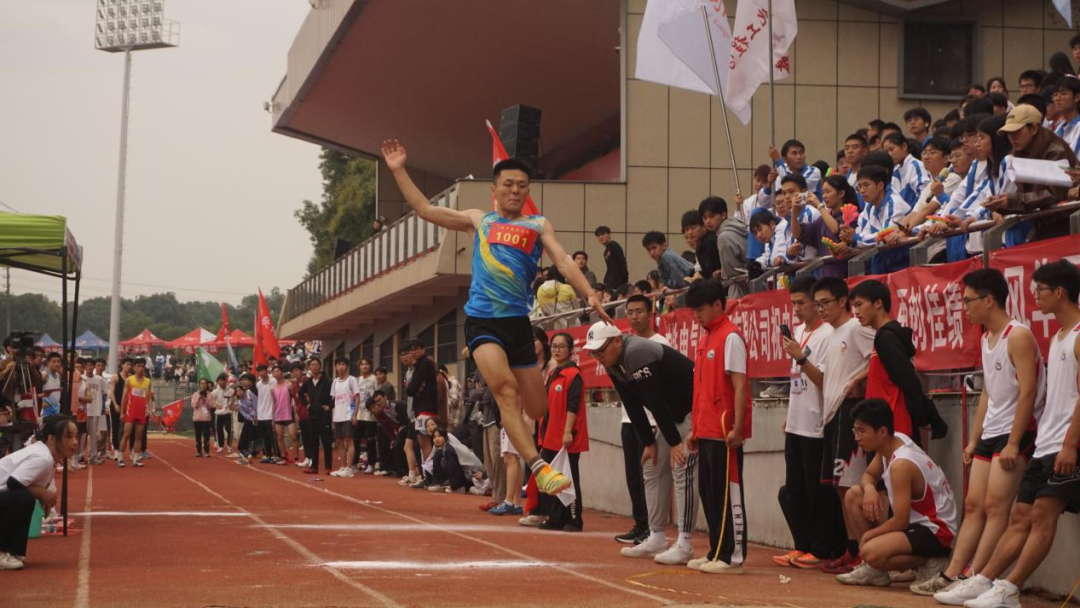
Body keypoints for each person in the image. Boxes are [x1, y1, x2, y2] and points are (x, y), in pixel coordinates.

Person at [382, 139, 602, 495]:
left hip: (518, 323)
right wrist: (399, 171)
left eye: (521, 186)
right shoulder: (479, 221)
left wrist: (588, 292)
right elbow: (424, 209)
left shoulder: (537, 225)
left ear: (527, 191)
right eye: (508, 185)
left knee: (537, 407)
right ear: (495, 190)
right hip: (482, 321)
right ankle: (539, 468)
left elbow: (562, 261)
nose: (515, 191)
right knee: (505, 392)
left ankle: (536, 455)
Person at [937, 261, 1080, 608]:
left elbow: (1039, 393)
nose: (1035, 298)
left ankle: (1009, 588)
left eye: (1040, 291)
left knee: (1040, 516)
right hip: (1046, 441)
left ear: (1059, 292)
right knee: (1019, 516)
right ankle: (982, 579)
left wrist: (1070, 445)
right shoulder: (1058, 337)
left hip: (1062, 444)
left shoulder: (1072, 336)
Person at [585, 320, 697, 566]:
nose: (598, 356)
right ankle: (656, 536)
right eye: (593, 352)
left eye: (600, 350)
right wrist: (649, 442)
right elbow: (632, 403)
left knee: (681, 468)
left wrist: (674, 443)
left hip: (692, 410)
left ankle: (685, 543)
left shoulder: (636, 352)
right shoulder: (612, 362)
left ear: (617, 341)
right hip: (673, 416)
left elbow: (655, 399)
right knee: (651, 466)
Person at [835, 399, 958, 587]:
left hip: (936, 530)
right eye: (855, 431)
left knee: (869, 550)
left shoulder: (901, 465)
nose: (857, 438)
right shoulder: (892, 441)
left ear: (882, 432)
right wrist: (870, 489)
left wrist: (870, 536)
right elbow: (869, 475)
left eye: (862, 431)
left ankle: (930, 561)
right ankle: (875, 571)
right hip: (916, 522)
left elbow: (901, 520)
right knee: (854, 495)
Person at [774, 276, 842, 569]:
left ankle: (821, 548)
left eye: (801, 303)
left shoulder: (828, 335)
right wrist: (790, 415)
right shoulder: (799, 332)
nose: (797, 309)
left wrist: (801, 358)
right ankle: (801, 546)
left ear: (816, 304)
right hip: (796, 424)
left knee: (818, 492)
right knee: (795, 490)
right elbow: (796, 382)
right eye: (793, 303)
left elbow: (825, 381)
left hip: (817, 425)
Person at [684, 279, 751, 575]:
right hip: (706, 429)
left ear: (717, 305)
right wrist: (695, 429)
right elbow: (702, 389)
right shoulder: (706, 339)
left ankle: (731, 555)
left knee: (727, 493)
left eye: (701, 310)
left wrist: (737, 427)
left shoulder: (730, 337)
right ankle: (715, 549)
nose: (697, 316)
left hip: (725, 430)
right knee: (709, 493)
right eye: (694, 311)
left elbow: (740, 385)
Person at [812, 277, 876, 575]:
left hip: (850, 413)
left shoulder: (857, 329)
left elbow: (882, 357)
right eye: (817, 304)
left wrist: (860, 380)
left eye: (825, 303)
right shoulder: (830, 335)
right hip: (831, 415)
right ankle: (852, 549)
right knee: (839, 486)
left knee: (852, 485)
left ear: (842, 301)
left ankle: (867, 552)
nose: (821, 309)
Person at [849, 279, 946, 449]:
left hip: (894, 428)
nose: (856, 312)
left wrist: (928, 415)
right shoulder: (883, 336)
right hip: (883, 426)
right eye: (854, 306)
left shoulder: (886, 338)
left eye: (859, 304)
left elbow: (908, 380)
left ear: (878, 303)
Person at [612, 294, 670, 544]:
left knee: (651, 476)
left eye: (639, 311)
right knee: (633, 475)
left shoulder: (660, 343)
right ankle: (640, 523)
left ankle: (653, 528)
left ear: (650, 314)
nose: (634, 317)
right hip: (630, 420)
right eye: (630, 312)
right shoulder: (623, 346)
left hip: (654, 422)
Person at [0, 415, 77, 570]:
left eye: (75, 436)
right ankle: (2, 551)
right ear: (51, 439)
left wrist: (42, 495)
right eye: (69, 437)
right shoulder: (43, 458)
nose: (75, 442)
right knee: (24, 498)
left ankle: (13, 550)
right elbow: (13, 483)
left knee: (26, 498)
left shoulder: (46, 456)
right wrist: (42, 493)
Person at [537, 332, 588, 532]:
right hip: (550, 436)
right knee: (551, 478)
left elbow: (573, 405)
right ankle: (556, 518)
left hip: (566, 437)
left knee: (569, 478)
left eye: (562, 346)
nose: (557, 350)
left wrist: (567, 432)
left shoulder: (573, 375)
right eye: (554, 346)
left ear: (570, 350)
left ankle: (574, 519)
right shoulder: (553, 374)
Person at [299, 359, 334, 475]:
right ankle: (314, 466)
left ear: (320, 366)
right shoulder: (308, 382)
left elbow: (335, 394)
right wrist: (307, 404)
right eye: (312, 365)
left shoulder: (327, 381)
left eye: (316, 365)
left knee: (326, 441)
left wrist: (330, 406)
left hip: (324, 415)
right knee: (313, 441)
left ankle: (328, 467)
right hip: (312, 415)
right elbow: (300, 393)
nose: (314, 367)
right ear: (309, 367)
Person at [118, 358, 153, 468]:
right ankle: (120, 458)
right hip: (130, 412)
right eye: (138, 366)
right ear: (134, 368)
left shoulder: (148, 381)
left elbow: (149, 397)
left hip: (141, 412)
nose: (140, 368)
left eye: (142, 366)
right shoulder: (129, 380)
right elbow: (124, 397)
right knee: (126, 435)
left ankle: (136, 459)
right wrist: (122, 412)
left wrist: (151, 410)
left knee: (139, 436)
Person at [330, 358, 359, 477]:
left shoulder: (352, 380)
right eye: (339, 364)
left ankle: (349, 468)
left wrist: (355, 414)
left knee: (349, 440)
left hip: (348, 415)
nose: (341, 366)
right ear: (335, 367)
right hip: (338, 416)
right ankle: (342, 466)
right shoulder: (335, 381)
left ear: (347, 366)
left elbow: (357, 397)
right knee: (339, 442)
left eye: (343, 364)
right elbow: (333, 399)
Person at [354, 358, 379, 474]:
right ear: (359, 366)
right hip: (358, 415)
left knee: (370, 441)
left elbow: (378, 395)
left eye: (367, 364)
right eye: (362, 364)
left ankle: (371, 464)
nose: (365, 366)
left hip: (370, 416)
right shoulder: (357, 380)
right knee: (356, 439)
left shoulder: (374, 379)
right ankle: (354, 463)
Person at [681, 210, 720, 280]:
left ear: (704, 227)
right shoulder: (700, 244)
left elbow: (713, 270)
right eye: (687, 229)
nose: (690, 232)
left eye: (693, 228)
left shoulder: (710, 241)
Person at [271, 366, 297, 465]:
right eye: (274, 372)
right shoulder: (272, 389)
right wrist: (273, 418)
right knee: (280, 437)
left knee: (293, 436)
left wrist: (296, 412)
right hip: (278, 415)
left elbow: (294, 398)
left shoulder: (289, 385)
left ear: (282, 372)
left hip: (289, 413)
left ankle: (296, 458)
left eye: (278, 371)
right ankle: (283, 457)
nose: (276, 373)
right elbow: (274, 403)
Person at [255, 365, 278, 464]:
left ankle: (277, 455)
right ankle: (267, 454)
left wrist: (275, 412)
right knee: (264, 436)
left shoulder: (273, 381)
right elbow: (260, 398)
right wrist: (258, 413)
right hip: (261, 413)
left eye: (263, 371)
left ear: (266, 371)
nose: (261, 373)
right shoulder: (258, 384)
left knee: (272, 436)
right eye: (259, 371)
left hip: (270, 413)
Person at [234, 373, 259, 465]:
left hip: (256, 417)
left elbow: (256, 404)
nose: (239, 392)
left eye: (240, 390)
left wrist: (255, 416)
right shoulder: (240, 401)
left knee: (253, 435)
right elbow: (243, 412)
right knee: (245, 435)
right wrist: (250, 418)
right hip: (249, 419)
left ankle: (253, 452)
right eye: (237, 391)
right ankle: (245, 451)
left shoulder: (250, 393)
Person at [595, 226, 628, 291]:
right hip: (610, 281)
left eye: (603, 234)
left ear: (609, 234)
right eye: (598, 236)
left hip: (618, 282)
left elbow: (622, 263)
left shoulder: (614, 245)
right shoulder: (606, 251)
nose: (601, 237)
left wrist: (625, 279)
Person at [211, 373, 236, 456]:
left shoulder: (231, 391)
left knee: (229, 430)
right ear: (217, 382)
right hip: (218, 414)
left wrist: (233, 405)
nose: (221, 382)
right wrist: (215, 405)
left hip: (228, 413)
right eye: (219, 381)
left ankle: (229, 446)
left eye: (223, 380)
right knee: (219, 430)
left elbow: (235, 400)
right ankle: (220, 446)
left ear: (226, 381)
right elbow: (211, 402)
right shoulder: (215, 392)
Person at [191, 378, 213, 457]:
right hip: (197, 418)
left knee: (206, 435)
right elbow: (193, 405)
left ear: (207, 385)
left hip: (206, 418)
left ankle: (206, 451)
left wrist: (205, 399)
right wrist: (199, 399)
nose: (203, 385)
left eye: (205, 383)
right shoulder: (195, 394)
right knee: (198, 435)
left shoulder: (210, 394)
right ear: (199, 385)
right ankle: (199, 451)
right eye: (202, 383)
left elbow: (211, 406)